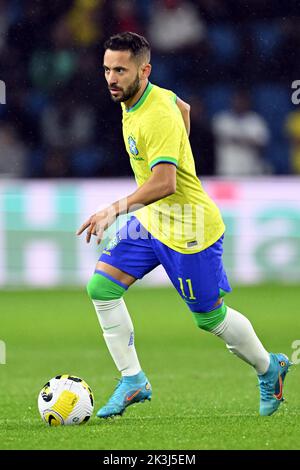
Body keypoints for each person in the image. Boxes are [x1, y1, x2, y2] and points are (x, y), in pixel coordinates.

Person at [77, 32, 291, 419]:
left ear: (144, 70)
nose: (111, 78)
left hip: (190, 228)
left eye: (120, 70)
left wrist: (114, 209)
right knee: (102, 287)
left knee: (209, 318)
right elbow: (185, 107)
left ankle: (268, 366)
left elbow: (165, 183)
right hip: (153, 221)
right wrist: (179, 145)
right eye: (107, 69)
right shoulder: (142, 97)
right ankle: (133, 380)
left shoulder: (155, 114)